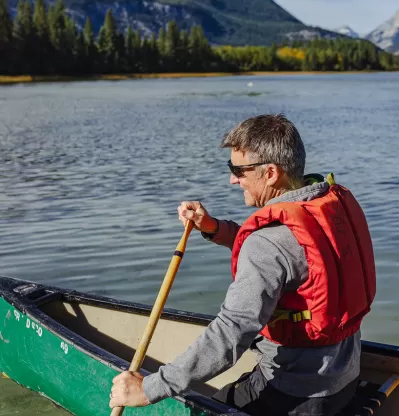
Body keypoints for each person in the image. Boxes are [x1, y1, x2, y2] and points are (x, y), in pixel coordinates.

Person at [109, 114, 376, 416]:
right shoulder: (327, 207)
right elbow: (296, 256)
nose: (232, 179)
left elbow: (231, 333)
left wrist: (149, 388)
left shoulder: (269, 242)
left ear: (271, 173)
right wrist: (213, 228)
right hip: (344, 379)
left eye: (239, 170)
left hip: (295, 394)